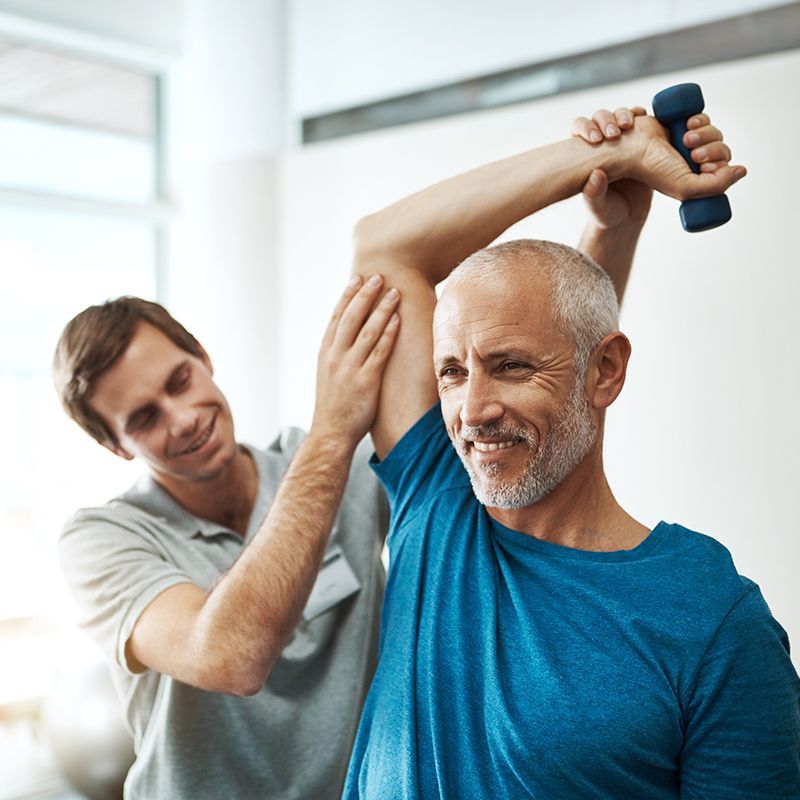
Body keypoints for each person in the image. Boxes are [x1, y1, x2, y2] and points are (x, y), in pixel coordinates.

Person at [342, 108, 800, 798]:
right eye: (453, 372)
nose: (472, 411)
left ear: (606, 373)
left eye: (511, 367)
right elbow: (382, 247)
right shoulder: (437, 504)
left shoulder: (711, 619)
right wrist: (607, 159)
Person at [53, 277, 400, 799]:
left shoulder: (338, 468)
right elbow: (232, 657)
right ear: (116, 446)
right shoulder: (100, 540)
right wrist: (333, 428)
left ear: (203, 357)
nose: (184, 419)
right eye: (145, 419)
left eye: (180, 381)